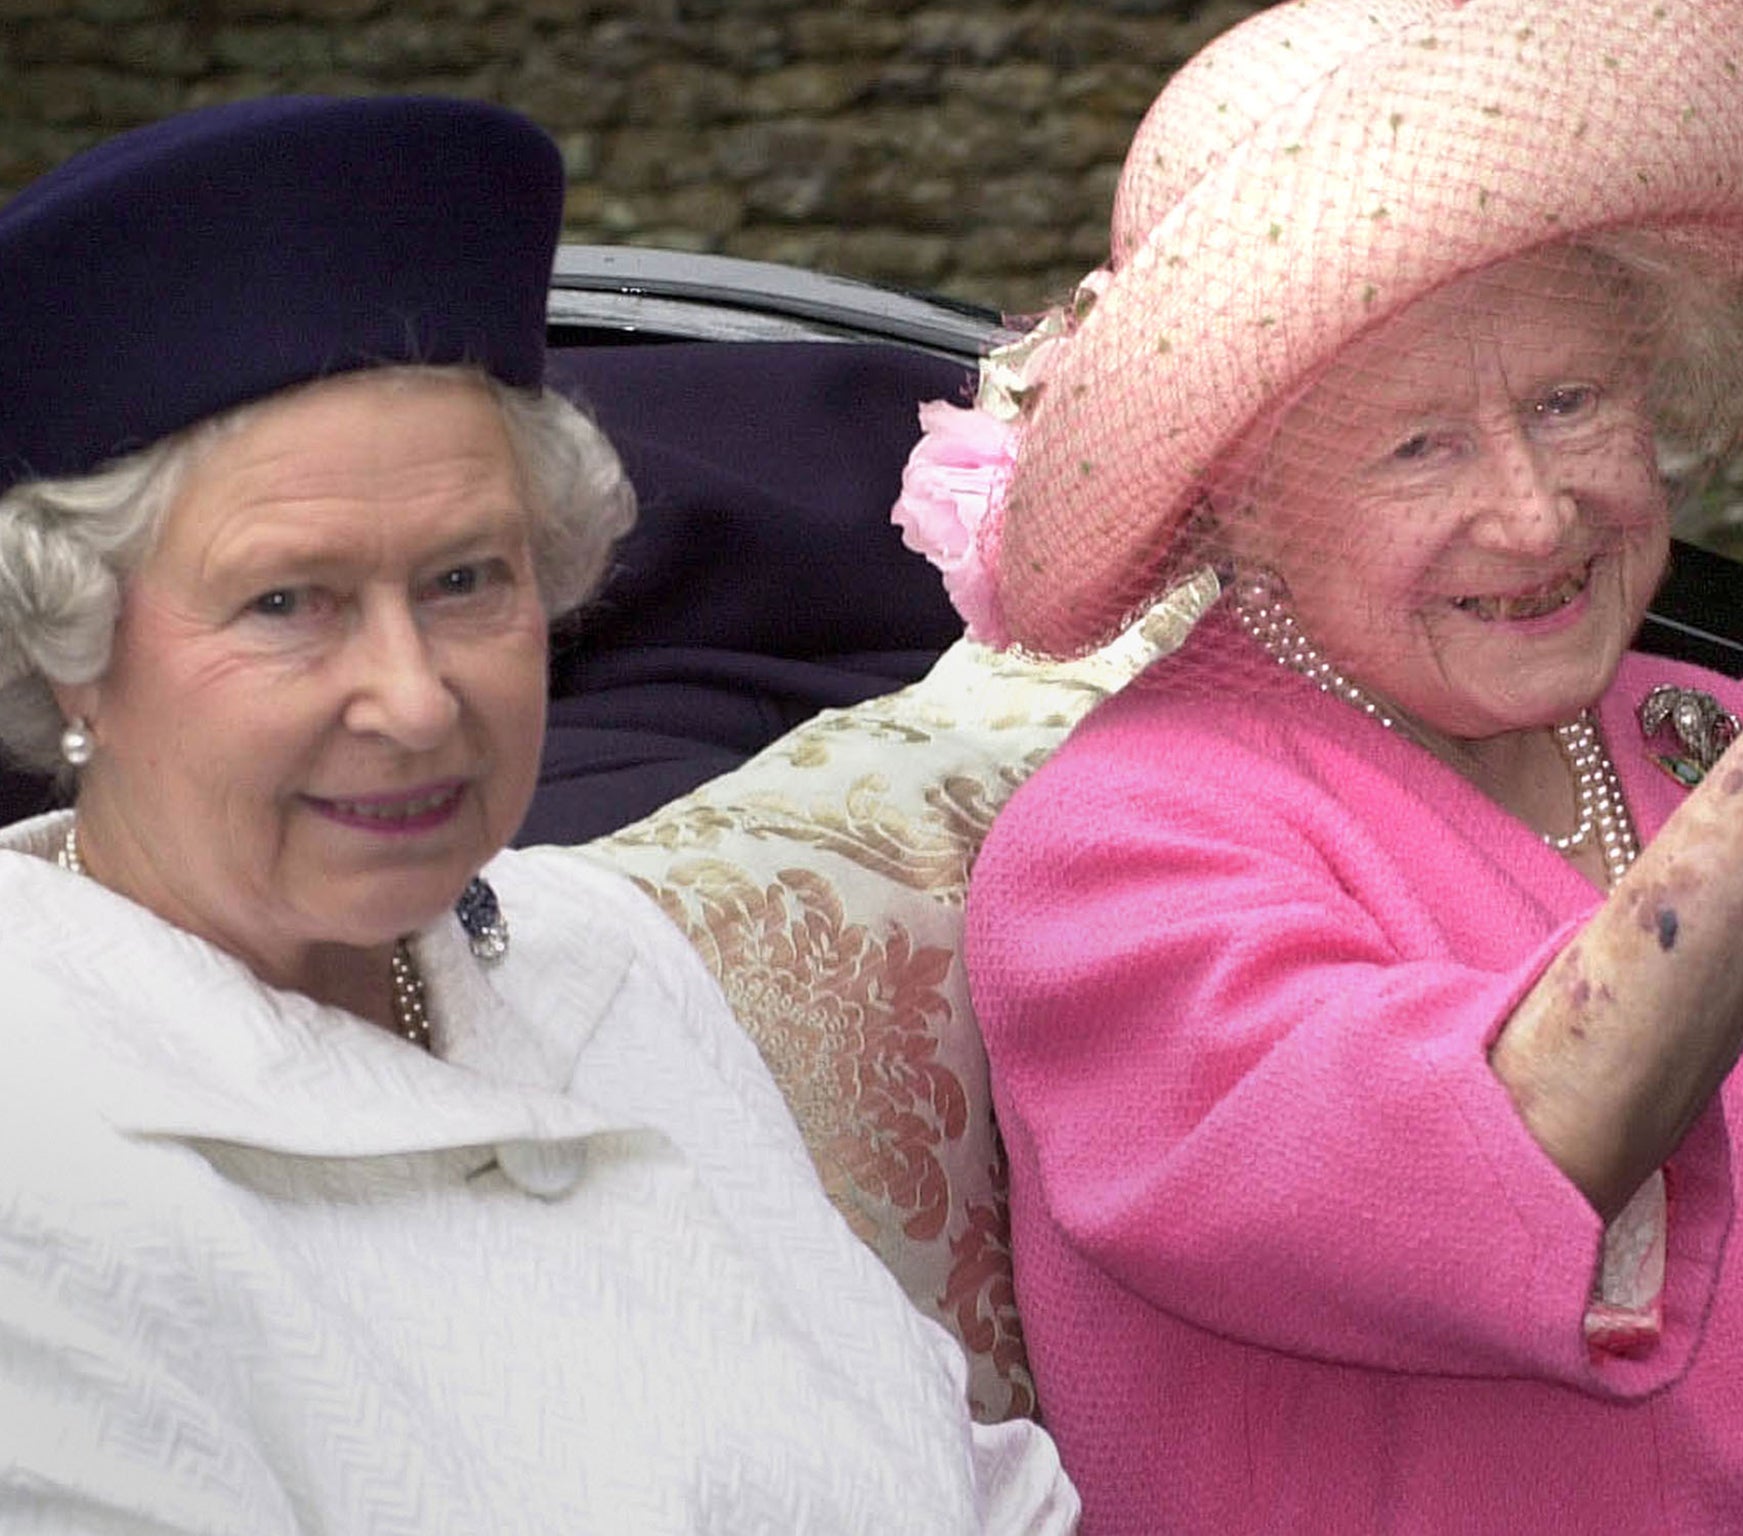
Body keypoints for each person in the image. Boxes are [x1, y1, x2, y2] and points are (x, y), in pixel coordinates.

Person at [887, 0, 1743, 1530]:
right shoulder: (1124, 846)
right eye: (1418, 446)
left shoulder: (1727, 735)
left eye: (1570, 404)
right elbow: (1528, 1143)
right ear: (1240, 503)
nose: (1534, 514)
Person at [0, 95, 1076, 1534]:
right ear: (73, 648)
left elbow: (968, 1486)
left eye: (465, 581)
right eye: (285, 603)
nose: (416, 698)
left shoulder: (600, 953)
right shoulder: (45, 1180)